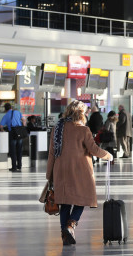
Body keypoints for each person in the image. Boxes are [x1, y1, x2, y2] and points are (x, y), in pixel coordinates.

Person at [46, 100, 113, 245]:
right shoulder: (83, 130)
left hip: (60, 171)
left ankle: (65, 236)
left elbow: (51, 153)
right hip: (79, 171)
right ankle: (70, 225)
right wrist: (108, 155)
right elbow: (94, 150)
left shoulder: (57, 128)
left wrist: (49, 174)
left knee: (64, 203)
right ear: (82, 114)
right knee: (82, 198)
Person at [0, 102, 26, 172]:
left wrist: (3, 131)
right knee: (19, 150)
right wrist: (23, 126)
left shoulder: (5, 116)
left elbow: (1, 126)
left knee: (13, 151)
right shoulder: (17, 112)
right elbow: (24, 120)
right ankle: (19, 166)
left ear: (5, 109)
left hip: (12, 133)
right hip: (19, 131)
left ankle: (14, 167)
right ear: (11, 107)